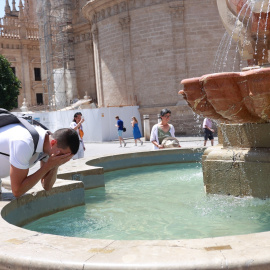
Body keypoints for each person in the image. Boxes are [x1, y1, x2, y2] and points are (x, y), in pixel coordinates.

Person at [0, 125, 79, 198]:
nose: (62, 158)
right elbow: (17, 191)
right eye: (62, 155)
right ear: (53, 143)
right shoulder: (25, 143)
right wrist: (48, 166)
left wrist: (55, 165)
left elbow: (47, 186)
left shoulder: (48, 144)